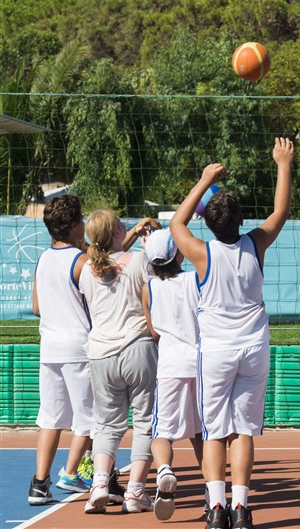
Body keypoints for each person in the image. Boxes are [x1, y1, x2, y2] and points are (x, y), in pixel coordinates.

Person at [169, 137, 294, 529]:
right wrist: (283, 163)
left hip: (218, 350)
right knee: (242, 430)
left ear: (208, 222)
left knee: (214, 433)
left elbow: (176, 222)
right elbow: (281, 211)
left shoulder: (202, 253)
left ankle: (217, 508)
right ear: (242, 220)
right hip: (254, 347)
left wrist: (205, 180)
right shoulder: (256, 244)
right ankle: (241, 509)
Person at [79, 208, 161, 514]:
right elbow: (154, 288)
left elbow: (110, 262)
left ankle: (100, 483)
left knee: (106, 424)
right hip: (137, 346)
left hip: (100, 354)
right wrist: (150, 244)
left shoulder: (87, 269)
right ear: (116, 233)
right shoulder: (139, 261)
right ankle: (135, 492)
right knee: (144, 422)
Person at [29, 195, 95, 505]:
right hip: (79, 347)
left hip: (50, 347)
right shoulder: (81, 261)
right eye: (81, 220)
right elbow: (97, 303)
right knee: (90, 418)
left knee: (51, 417)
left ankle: (39, 483)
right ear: (73, 226)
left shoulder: (42, 259)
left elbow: (37, 307)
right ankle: (70, 473)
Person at [141, 229, 205, 521]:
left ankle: (165, 469)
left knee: (161, 433)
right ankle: (211, 490)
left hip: (169, 366)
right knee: (202, 435)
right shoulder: (196, 280)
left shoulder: (149, 288)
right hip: (201, 365)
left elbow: (153, 331)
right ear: (178, 253)